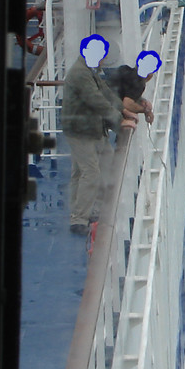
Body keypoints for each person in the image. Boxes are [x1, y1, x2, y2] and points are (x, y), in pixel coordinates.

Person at [64, 34, 136, 235]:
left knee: (95, 166)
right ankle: (79, 219)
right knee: (90, 171)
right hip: (80, 131)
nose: (104, 59)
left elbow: (105, 92)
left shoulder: (89, 70)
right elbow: (96, 100)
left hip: (92, 129)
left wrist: (123, 109)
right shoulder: (80, 74)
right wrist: (120, 120)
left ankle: (91, 209)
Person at [108, 49, 160, 125]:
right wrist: (145, 110)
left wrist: (141, 100)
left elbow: (125, 91)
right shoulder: (139, 83)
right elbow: (127, 104)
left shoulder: (125, 69)